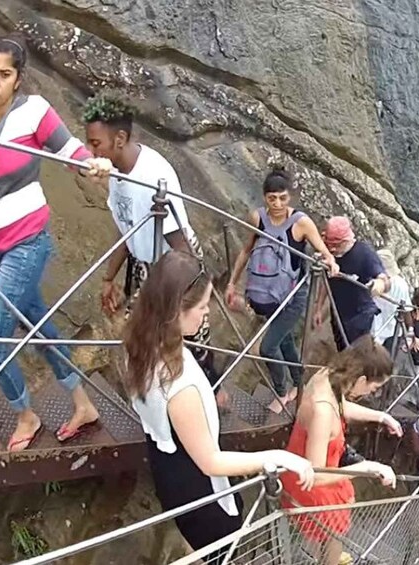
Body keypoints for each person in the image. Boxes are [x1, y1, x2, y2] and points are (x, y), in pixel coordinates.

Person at [0, 36, 113, 451]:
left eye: (4, 75)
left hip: (29, 243)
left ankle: (26, 416)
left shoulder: (34, 112)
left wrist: (93, 164)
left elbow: (71, 150)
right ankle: (83, 406)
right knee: (42, 330)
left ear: (18, 79)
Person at [122, 251, 315, 561]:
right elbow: (210, 463)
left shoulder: (139, 344)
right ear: (175, 312)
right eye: (201, 307)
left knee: (193, 541)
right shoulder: (179, 382)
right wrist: (279, 456)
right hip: (196, 485)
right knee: (219, 546)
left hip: (164, 460)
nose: (207, 313)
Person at [83, 93, 230, 408]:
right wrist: (109, 278)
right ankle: (158, 394)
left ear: (119, 139)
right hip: (146, 260)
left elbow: (181, 247)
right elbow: (127, 228)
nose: (90, 151)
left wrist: (177, 301)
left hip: (177, 265)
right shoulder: (116, 173)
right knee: (144, 334)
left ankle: (212, 395)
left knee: (190, 338)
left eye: (96, 144)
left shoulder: (152, 178)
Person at [223, 167, 338, 412]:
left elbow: (324, 250)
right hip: (266, 294)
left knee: (267, 347)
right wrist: (232, 283)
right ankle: (298, 384)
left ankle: (282, 391)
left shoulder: (301, 223)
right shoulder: (258, 218)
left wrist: (331, 262)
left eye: (282, 198)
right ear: (265, 197)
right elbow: (246, 250)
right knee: (285, 343)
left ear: (290, 197)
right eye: (272, 198)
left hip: (293, 297)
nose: (277, 203)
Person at [280, 336, 401, 565]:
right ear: (363, 379)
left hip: (305, 464)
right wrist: (365, 467)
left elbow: (341, 407)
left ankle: (326, 556)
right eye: (374, 388)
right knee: (334, 531)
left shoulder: (327, 377)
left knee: (331, 533)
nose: (372, 394)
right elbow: (314, 474)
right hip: (312, 484)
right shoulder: (323, 412)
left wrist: (380, 416)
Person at [314, 216, 388, 351]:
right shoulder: (330, 254)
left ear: (346, 241)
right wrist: (318, 308)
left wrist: (380, 283)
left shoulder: (364, 253)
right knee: (343, 352)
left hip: (361, 314)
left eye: (336, 245)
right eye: (330, 245)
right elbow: (326, 282)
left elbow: (384, 278)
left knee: (357, 356)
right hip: (339, 313)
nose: (333, 249)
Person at [371, 249, 412, 354]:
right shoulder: (401, 284)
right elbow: (406, 310)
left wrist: (410, 332)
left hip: (386, 331)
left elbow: (406, 310)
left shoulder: (400, 285)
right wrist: (410, 330)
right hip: (384, 329)